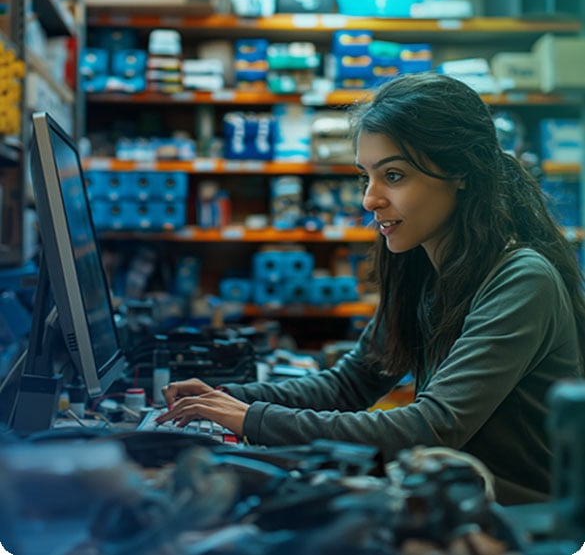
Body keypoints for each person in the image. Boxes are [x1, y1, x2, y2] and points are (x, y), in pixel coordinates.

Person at [158, 72, 585, 506]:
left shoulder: (522, 280)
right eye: (366, 176)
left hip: (521, 526)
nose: (369, 199)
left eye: (394, 176)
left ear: (461, 173)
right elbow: (347, 386)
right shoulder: (424, 268)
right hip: (451, 503)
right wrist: (224, 399)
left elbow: (430, 426)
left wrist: (252, 418)